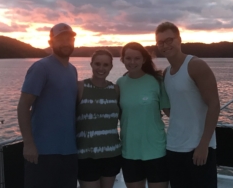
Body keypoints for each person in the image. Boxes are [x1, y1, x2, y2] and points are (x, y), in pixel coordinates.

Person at [155, 22, 220, 188]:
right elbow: (174, 110)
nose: (165, 45)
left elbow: (214, 104)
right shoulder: (166, 73)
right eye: (161, 42)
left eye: (169, 40)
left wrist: (203, 145)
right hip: (174, 147)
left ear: (179, 40)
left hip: (197, 148)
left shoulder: (195, 65)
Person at [17, 23, 78, 188]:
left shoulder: (72, 70)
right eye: (60, 39)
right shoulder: (41, 68)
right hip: (43, 152)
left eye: (69, 39)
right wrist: (28, 144)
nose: (66, 43)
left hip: (69, 151)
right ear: (51, 42)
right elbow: (23, 106)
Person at [117, 42, 170, 188]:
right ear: (122, 59)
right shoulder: (120, 83)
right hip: (129, 151)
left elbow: (170, 112)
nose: (132, 62)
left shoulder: (157, 81)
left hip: (156, 150)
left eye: (136, 58)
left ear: (143, 60)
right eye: (128, 58)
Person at [76, 49, 121, 188]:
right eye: (97, 64)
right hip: (86, 154)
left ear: (111, 67)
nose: (101, 68)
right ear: (91, 65)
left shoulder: (115, 90)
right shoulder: (80, 87)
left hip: (111, 153)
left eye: (106, 65)